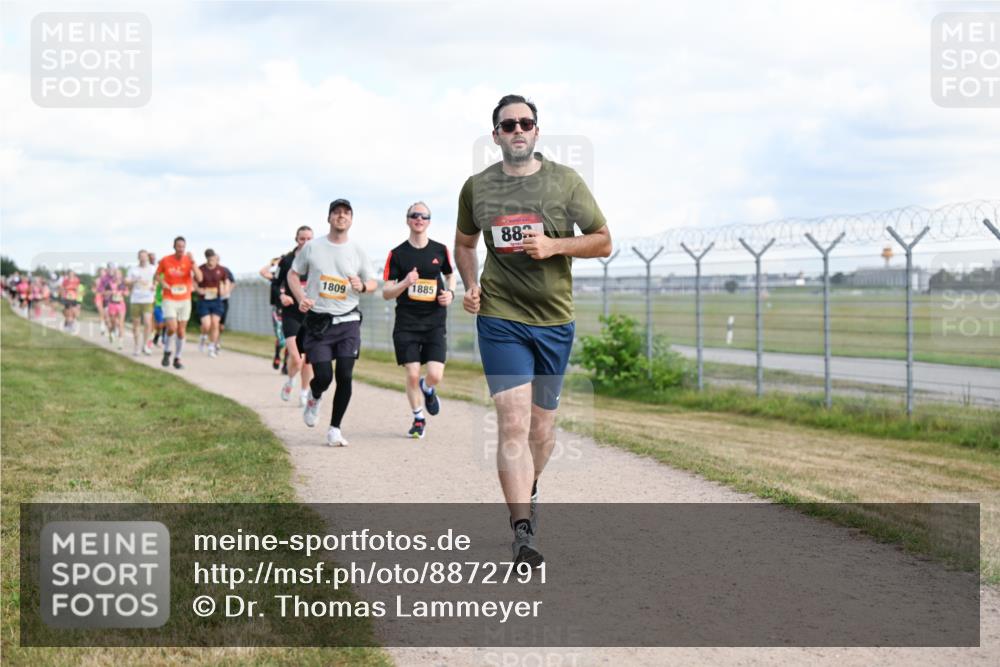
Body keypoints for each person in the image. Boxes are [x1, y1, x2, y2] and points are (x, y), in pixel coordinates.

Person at [454, 94, 612, 567]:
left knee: (543, 431)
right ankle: (522, 529)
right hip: (501, 318)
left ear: (537, 132)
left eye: (525, 123)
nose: (517, 130)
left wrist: (554, 245)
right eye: (508, 125)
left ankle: (532, 485)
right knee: (513, 422)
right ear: (496, 135)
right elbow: (464, 244)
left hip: (554, 321)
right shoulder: (477, 188)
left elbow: (603, 241)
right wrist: (470, 283)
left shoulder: (565, 181)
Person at [287, 199, 376, 447]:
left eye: (346, 213)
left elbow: (372, 282)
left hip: (348, 320)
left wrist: (363, 286)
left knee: (345, 375)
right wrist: (301, 297)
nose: (341, 216)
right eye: (336, 213)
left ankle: (335, 429)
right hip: (319, 322)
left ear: (351, 219)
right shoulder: (313, 248)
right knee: (324, 376)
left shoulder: (357, 250)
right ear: (329, 218)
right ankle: (315, 396)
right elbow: (293, 274)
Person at [382, 202, 455, 438]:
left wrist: (450, 294)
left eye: (424, 216)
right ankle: (418, 418)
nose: (419, 219)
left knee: (435, 374)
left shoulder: (440, 250)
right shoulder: (397, 254)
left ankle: (428, 388)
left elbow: (451, 275)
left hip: (434, 322)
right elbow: (386, 292)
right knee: (412, 373)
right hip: (407, 323)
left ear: (429, 221)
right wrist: (405, 282)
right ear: (408, 220)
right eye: (415, 215)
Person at [277, 226, 315, 406]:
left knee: (308, 360)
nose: (306, 242)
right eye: (302, 239)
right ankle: (290, 381)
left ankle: (304, 392)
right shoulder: (287, 260)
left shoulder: (319, 260)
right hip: (291, 313)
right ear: (296, 239)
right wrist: (282, 296)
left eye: (309, 239)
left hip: (312, 315)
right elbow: (276, 284)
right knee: (297, 358)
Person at [156, 236, 203, 370]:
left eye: (183, 246)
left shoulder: (189, 261)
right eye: (178, 246)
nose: (181, 249)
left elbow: (199, 278)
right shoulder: (166, 260)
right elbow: (157, 275)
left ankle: (177, 358)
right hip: (169, 298)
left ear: (185, 247)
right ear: (174, 247)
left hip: (184, 299)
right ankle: (167, 351)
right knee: (172, 327)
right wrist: (162, 282)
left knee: (181, 331)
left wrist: (193, 262)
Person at [195, 249, 229, 358]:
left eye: (213, 259)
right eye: (210, 259)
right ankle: (203, 336)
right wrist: (198, 290)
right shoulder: (201, 269)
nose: (212, 261)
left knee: (215, 323)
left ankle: (211, 347)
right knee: (206, 324)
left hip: (216, 300)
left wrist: (225, 289)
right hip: (204, 300)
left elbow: (226, 281)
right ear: (207, 259)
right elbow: (194, 280)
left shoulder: (221, 270)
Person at [127, 249, 157, 355]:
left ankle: (145, 345)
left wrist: (155, 285)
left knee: (148, 323)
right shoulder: (133, 270)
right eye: (141, 256)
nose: (143, 258)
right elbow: (127, 282)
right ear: (138, 257)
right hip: (135, 299)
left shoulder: (153, 269)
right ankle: (136, 347)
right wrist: (135, 280)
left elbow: (157, 279)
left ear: (147, 258)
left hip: (148, 299)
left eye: (145, 256)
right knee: (136, 324)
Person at [259, 256, 287, 371]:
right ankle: (277, 354)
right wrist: (272, 264)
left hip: (291, 311)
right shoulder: (276, 275)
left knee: (291, 339)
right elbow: (262, 272)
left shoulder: (295, 275)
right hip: (278, 310)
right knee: (281, 338)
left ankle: (286, 364)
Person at [104, 268, 128, 349]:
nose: (117, 276)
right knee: (113, 322)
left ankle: (120, 343)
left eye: (119, 274)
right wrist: (111, 292)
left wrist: (124, 293)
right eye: (116, 274)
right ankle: (111, 332)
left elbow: (127, 293)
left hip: (121, 304)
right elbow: (104, 293)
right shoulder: (109, 284)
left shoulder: (123, 284)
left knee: (121, 323)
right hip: (112, 304)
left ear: (121, 275)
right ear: (113, 276)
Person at [59, 270, 82, 334]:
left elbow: (78, 289)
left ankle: (69, 323)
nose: (71, 275)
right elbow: (62, 289)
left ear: (74, 274)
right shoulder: (65, 281)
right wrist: (62, 296)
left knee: (74, 312)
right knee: (69, 312)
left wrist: (79, 298)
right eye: (70, 274)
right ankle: (69, 325)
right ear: (68, 275)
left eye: (72, 274)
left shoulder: (77, 280)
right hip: (67, 298)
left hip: (74, 298)